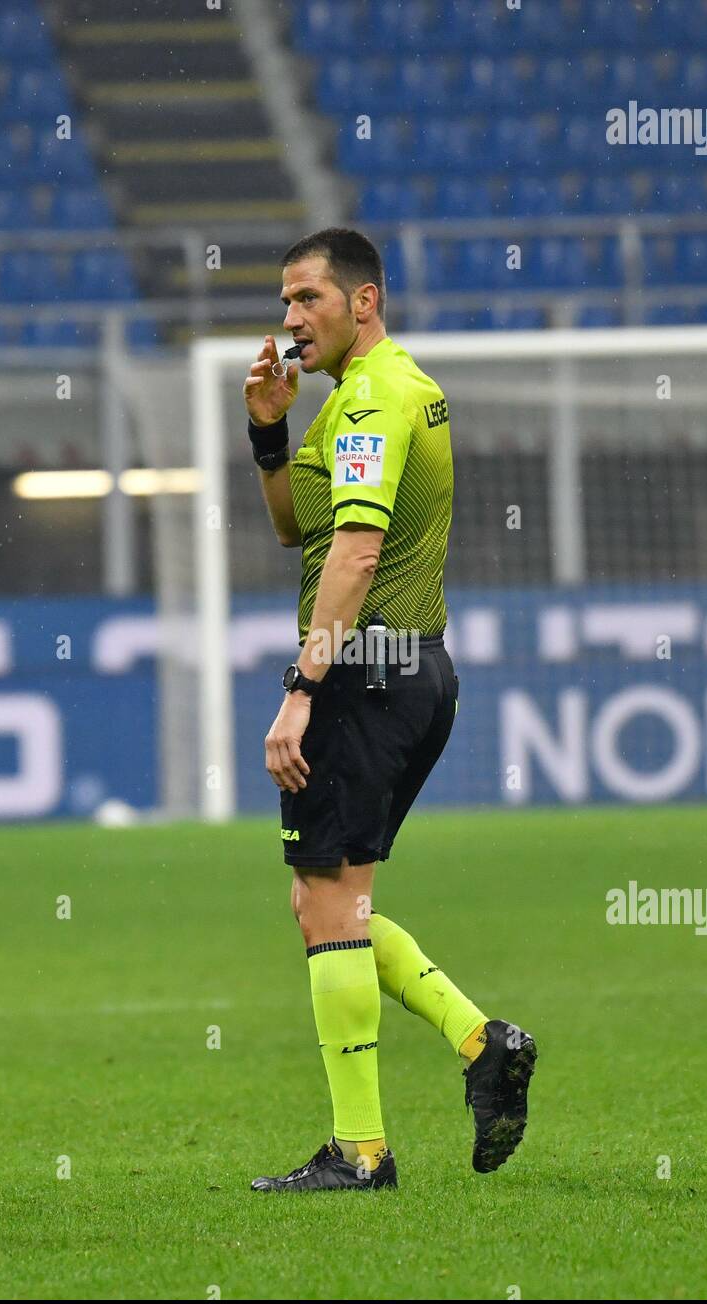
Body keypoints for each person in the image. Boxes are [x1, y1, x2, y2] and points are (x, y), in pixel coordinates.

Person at [242, 227, 536, 1193]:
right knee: (330, 898)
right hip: (411, 671)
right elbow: (301, 528)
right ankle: (480, 1041)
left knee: (326, 902)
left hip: (363, 675)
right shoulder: (360, 398)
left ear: (362, 301)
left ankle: (362, 1150)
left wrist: (301, 691)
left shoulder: (371, 400)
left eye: (307, 299)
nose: (289, 320)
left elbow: (356, 557)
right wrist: (270, 434)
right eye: (285, 303)